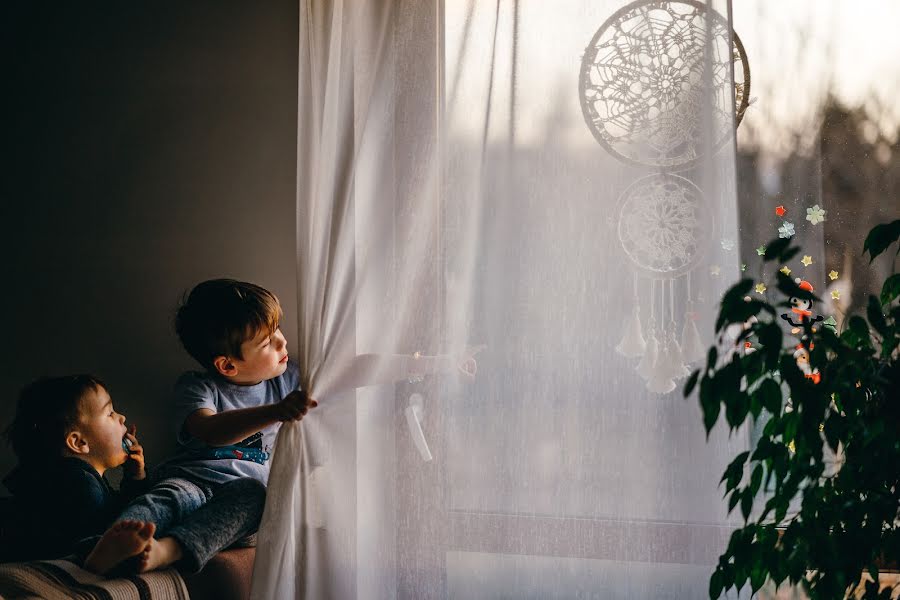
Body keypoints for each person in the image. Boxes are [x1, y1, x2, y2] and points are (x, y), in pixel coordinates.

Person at [1, 375, 266, 575]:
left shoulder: (77, 479)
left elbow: (114, 512)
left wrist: (135, 478)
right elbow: (105, 524)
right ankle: (103, 556)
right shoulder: (77, 482)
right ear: (79, 443)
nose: (121, 417)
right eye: (110, 412)